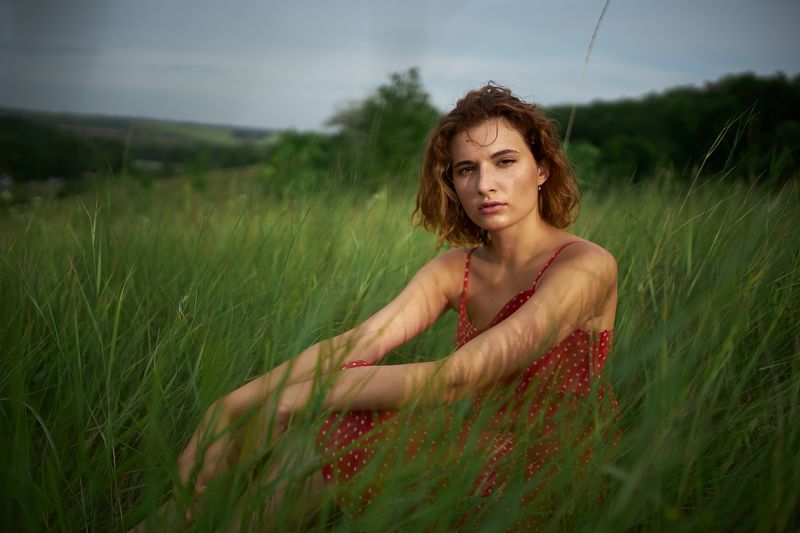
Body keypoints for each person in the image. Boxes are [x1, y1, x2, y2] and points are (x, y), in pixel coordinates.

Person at [172, 84, 618, 529]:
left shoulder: (585, 265)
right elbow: (360, 342)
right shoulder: (454, 269)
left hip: (546, 468)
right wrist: (232, 405)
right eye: (466, 170)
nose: (485, 185)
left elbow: (458, 378)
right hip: (471, 441)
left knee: (332, 428)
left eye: (505, 162)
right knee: (311, 440)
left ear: (541, 169)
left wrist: (292, 400)